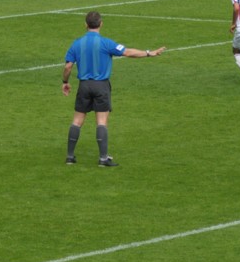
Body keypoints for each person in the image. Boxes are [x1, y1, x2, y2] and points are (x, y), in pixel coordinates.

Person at [62, 11, 166, 166]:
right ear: (101, 24)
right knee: (101, 121)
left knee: (77, 120)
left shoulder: (77, 43)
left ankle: (70, 157)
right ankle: (103, 159)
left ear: (85, 24)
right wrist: (149, 53)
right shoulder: (106, 43)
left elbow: (68, 66)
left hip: (84, 86)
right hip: (101, 86)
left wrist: (65, 82)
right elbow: (128, 52)